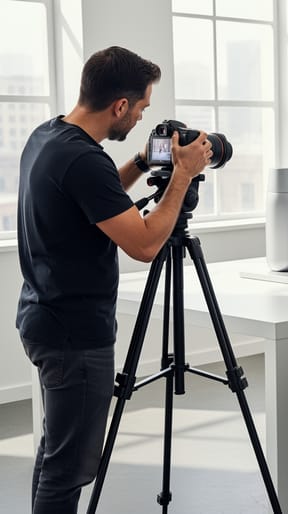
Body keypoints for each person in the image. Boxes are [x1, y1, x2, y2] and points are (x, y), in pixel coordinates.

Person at [16, 46, 211, 513]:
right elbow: (144, 245)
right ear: (119, 106)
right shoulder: (85, 160)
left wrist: (143, 162)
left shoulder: (49, 136)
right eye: (141, 107)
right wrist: (183, 174)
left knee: (54, 456)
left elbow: (97, 199)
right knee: (70, 471)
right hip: (75, 334)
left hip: (44, 315)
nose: (143, 117)